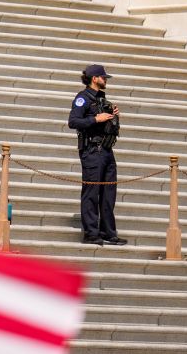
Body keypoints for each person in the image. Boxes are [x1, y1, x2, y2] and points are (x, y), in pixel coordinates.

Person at [68, 64, 128, 246]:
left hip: (107, 150)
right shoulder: (82, 98)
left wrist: (112, 115)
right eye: (103, 77)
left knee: (109, 193)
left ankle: (108, 232)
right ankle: (91, 233)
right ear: (95, 78)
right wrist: (96, 119)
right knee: (92, 192)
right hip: (92, 151)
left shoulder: (102, 99)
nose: (105, 80)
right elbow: (73, 121)